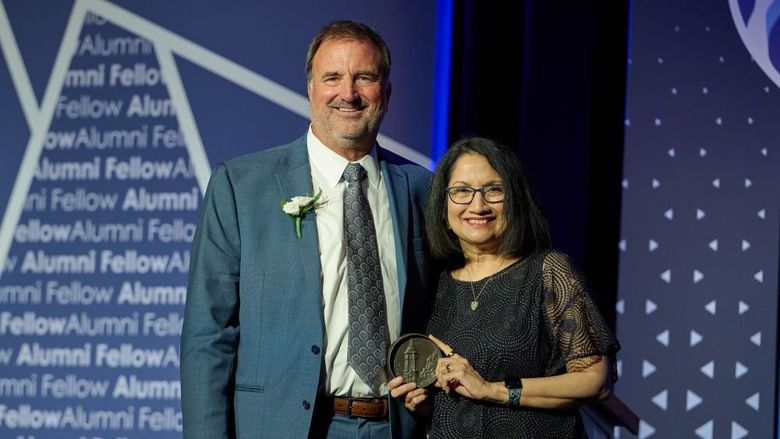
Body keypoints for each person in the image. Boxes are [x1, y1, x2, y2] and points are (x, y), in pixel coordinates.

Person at [181, 21, 434, 439]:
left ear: (385, 94)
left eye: (365, 78)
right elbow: (209, 335)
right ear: (311, 90)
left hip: (397, 427)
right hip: (287, 427)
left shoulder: (423, 190)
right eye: (332, 78)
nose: (348, 93)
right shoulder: (242, 186)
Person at [389, 137, 620, 438]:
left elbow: (594, 380)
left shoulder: (548, 271)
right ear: (443, 207)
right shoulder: (434, 284)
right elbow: (456, 399)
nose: (478, 205)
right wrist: (423, 404)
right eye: (461, 191)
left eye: (494, 190)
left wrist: (493, 390)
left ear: (515, 200)